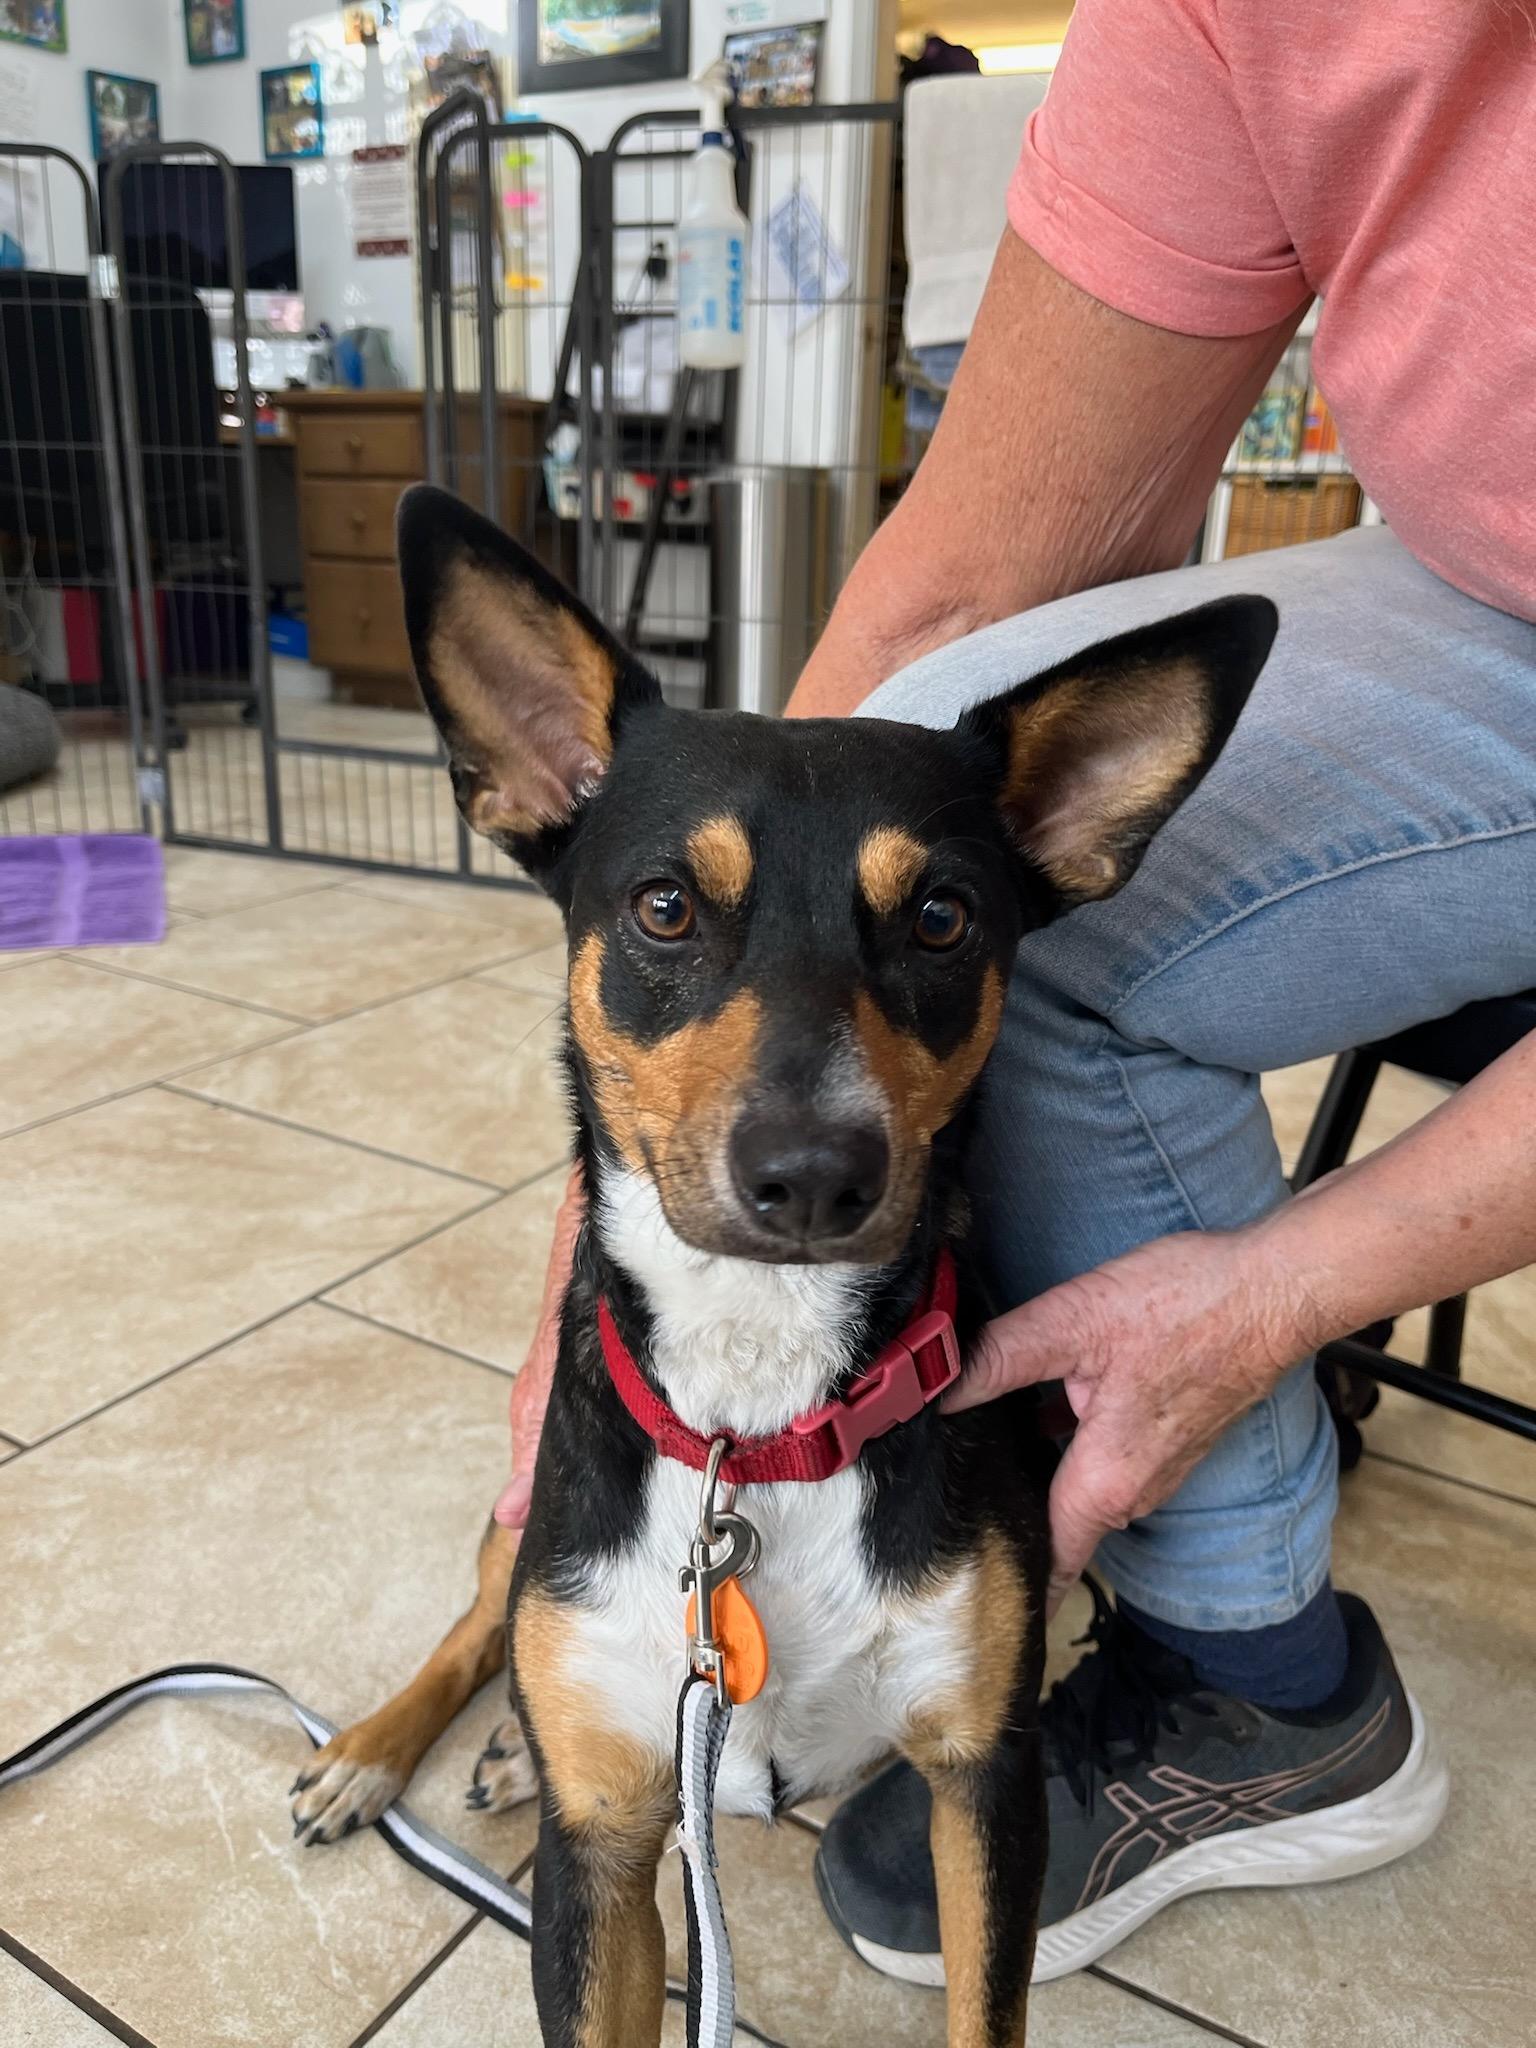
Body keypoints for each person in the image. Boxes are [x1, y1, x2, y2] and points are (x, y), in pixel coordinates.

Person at [495, 0, 1536, 1978]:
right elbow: (968, 581)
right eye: (661, 924)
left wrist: (1280, 1293)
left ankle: (1259, 1665)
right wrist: (579, 1286)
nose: (810, 1127)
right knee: (893, 742)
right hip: (1477, 568)